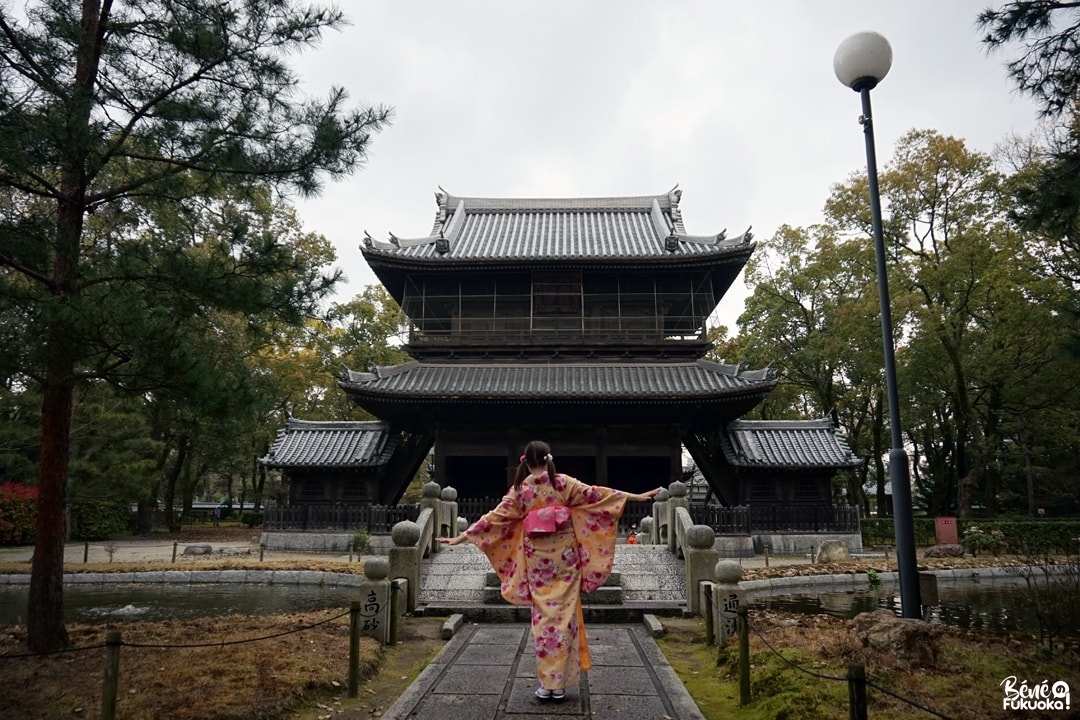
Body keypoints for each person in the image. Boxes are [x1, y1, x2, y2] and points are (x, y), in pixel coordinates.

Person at [438, 440, 661, 702]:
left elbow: (494, 517)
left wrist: (462, 536)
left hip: (537, 563)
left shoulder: (521, 490)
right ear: (548, 459)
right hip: (566, 559)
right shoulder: (563, 482)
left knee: (543, 620)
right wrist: (636, 496)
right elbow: (598, 495)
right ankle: (561, 684)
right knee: (565, 619)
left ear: (527, 461)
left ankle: (547, 683)